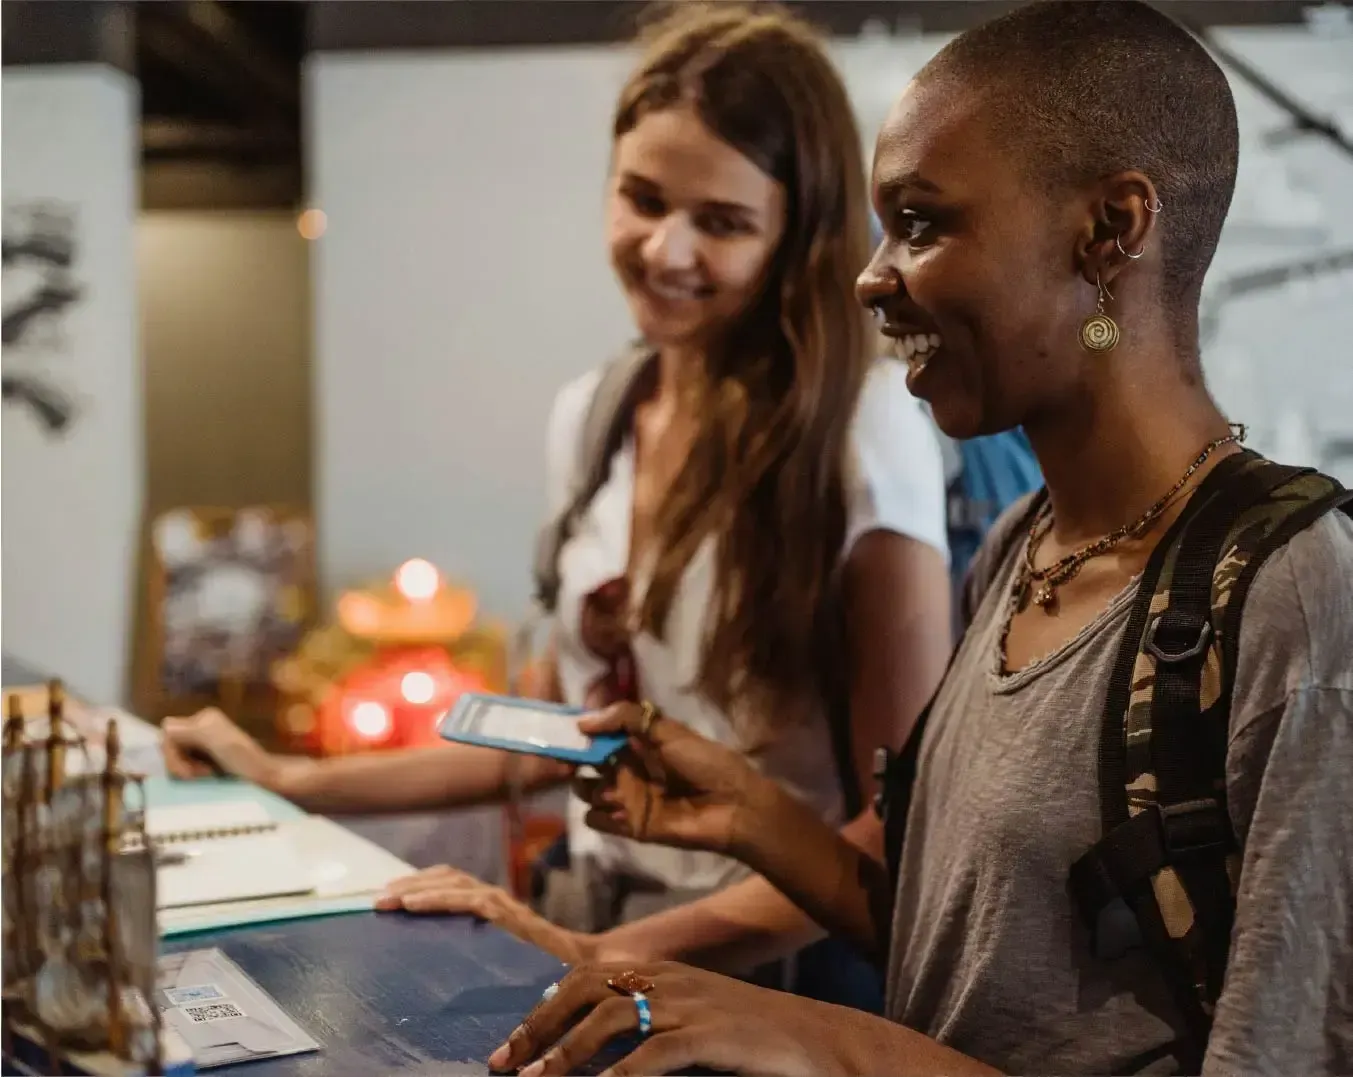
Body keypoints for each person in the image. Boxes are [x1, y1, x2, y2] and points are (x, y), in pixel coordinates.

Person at [483, 3, 1353, 1075]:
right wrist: (751, 814)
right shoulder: (1022, 550)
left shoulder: (1294, 598)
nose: (871, 275)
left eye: (924, 223)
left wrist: (828, 1040)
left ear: (1111, 232)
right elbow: (960, 952)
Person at [161, 0, 952, 986]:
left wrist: (609, 956)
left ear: (798, 235)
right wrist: (290, 778)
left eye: (722, 222)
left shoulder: (863, 434)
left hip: (780, 968)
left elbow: (907, 823)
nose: (666, 249)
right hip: (601, 920)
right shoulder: (599, 413)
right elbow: (547, 735)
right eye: (643, 198)